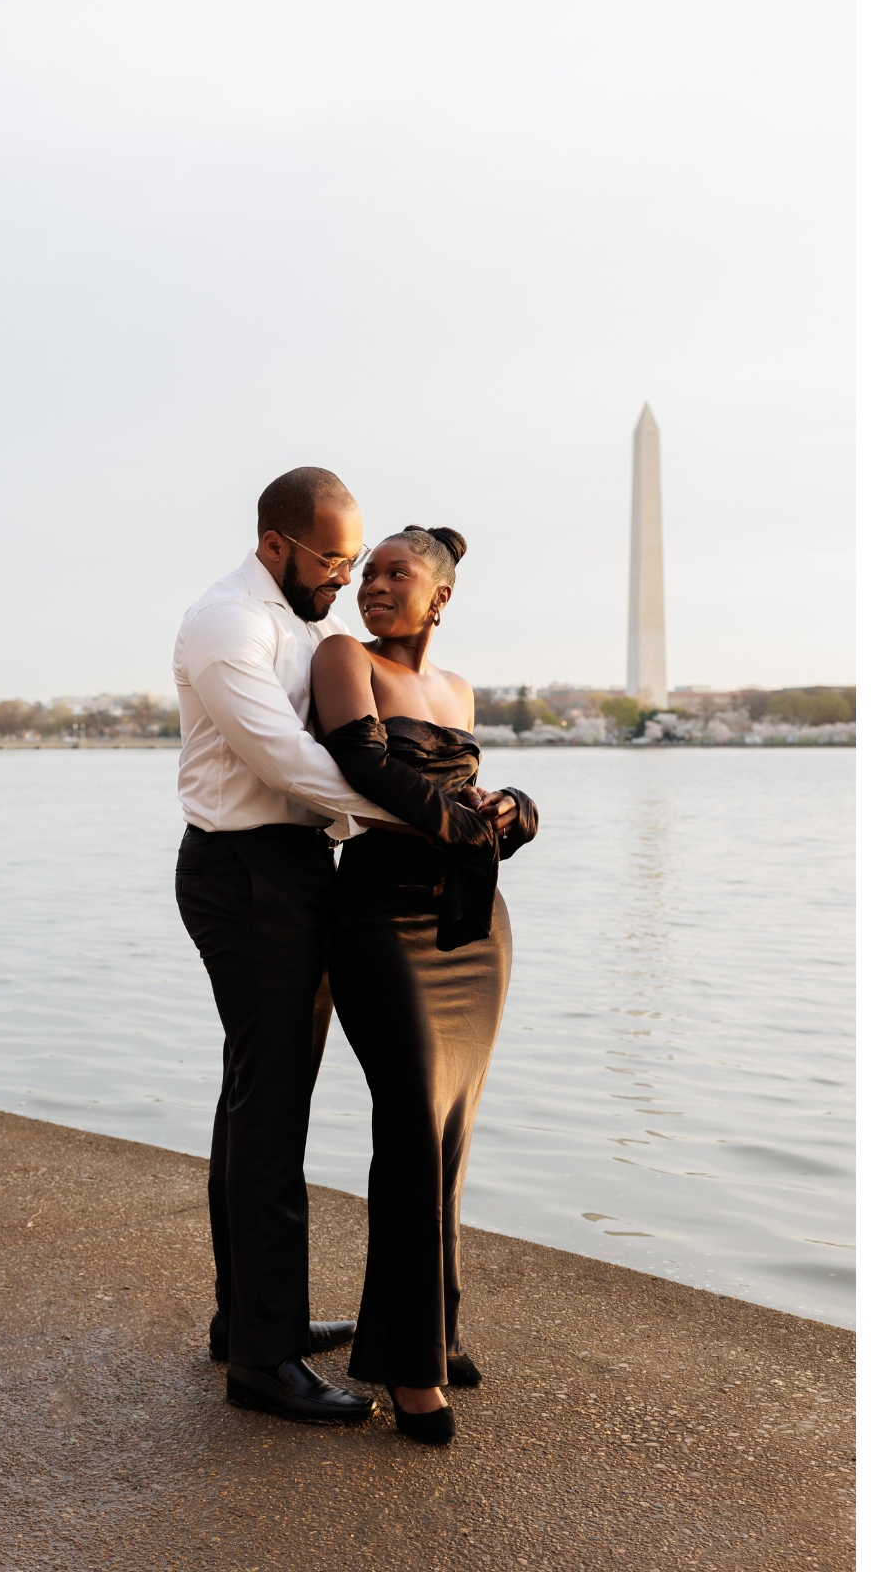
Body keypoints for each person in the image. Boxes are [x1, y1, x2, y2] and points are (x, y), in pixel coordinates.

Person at [172, 466, 396, 1425]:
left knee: (254, 1097)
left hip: (287, 868)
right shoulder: (230, 623)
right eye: (334, 558)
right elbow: (286, 761)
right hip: (247, 873)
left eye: (353, 557)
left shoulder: (297, 622)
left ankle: (251, 1320)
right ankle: (263, 1361)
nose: (345, 576)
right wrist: (412, 816)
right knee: (270, 1115)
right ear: (277, 545)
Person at [309, 526, 539, 1446]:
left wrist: (511, 810)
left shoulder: (458, 689)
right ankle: (409, 1369)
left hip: (473, 927)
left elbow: (460, 789)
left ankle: (429, 1329)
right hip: (380, 918)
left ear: (438, 595)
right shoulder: (343, 659)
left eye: (394, 573)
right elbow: (362, 766)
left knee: (449, 1128)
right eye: (366, 572)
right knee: (408, 1122)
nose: (373, 584)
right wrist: (461, 821)